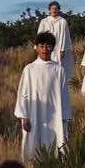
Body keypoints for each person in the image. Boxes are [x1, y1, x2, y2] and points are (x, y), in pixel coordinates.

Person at [15, 32, 70, 161]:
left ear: (52, 48)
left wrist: (66, 118)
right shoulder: (30, 69)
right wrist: (24, 116)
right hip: (34, 114)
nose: (45, 49)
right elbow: (23, 93)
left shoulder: (59, 70)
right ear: (37, 47)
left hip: (54, 114)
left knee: (55, 143)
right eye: (42, 46)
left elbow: (64, 95)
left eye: (48, 46)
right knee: (33, 143)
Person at [37, 1, 75, 83]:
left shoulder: (62, 21)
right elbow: (40, 35)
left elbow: (64, 36)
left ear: (58, 10)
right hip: (47, 48)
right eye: (52, 8)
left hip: (58, 49)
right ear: (49, 10)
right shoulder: (44, 21)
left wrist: (62, 49)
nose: (54, 10)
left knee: (60, 68)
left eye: (56, 8)